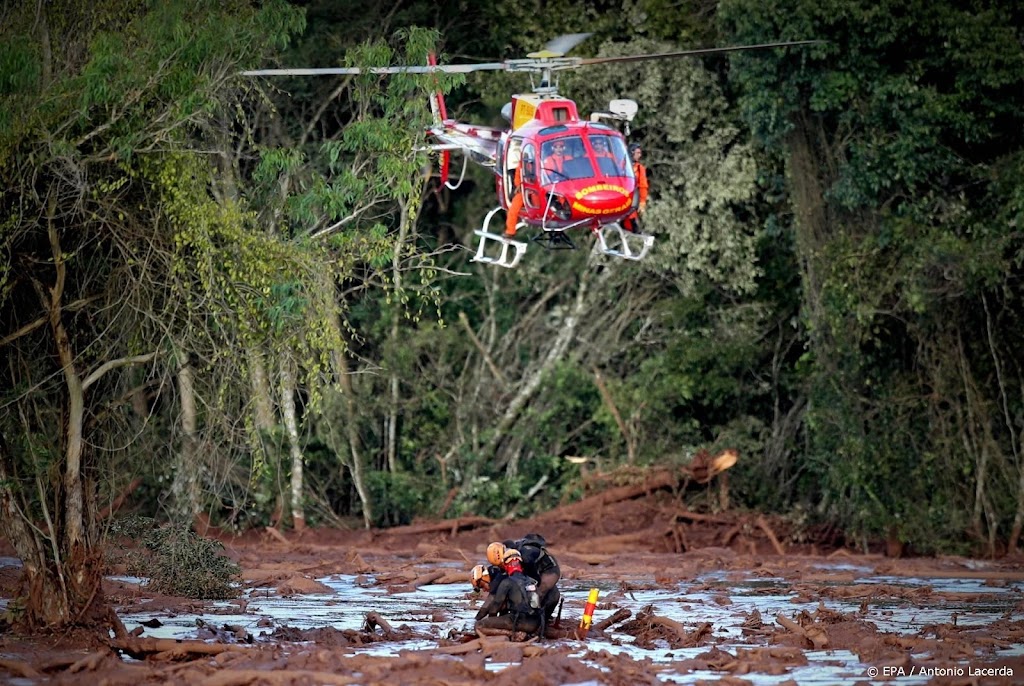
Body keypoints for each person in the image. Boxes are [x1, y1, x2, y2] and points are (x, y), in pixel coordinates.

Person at [474, 548, 546, 637]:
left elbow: (495, 606)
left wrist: (491, 620)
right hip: (535, 623)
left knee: (478, 625)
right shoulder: (532, 581)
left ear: (506, 565)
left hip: (518, 621)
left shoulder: (507, 582)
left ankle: (514, 634)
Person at [622, 142, 648, 233]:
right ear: (631, 152)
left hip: (631, 197)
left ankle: (632, 227)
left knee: (631, 215)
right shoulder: (621, 165)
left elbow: (643, 186)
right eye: (637, 153)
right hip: (620, 194)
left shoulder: (640, 169)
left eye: (640, 153)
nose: (639, 155)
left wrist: (642, 203)